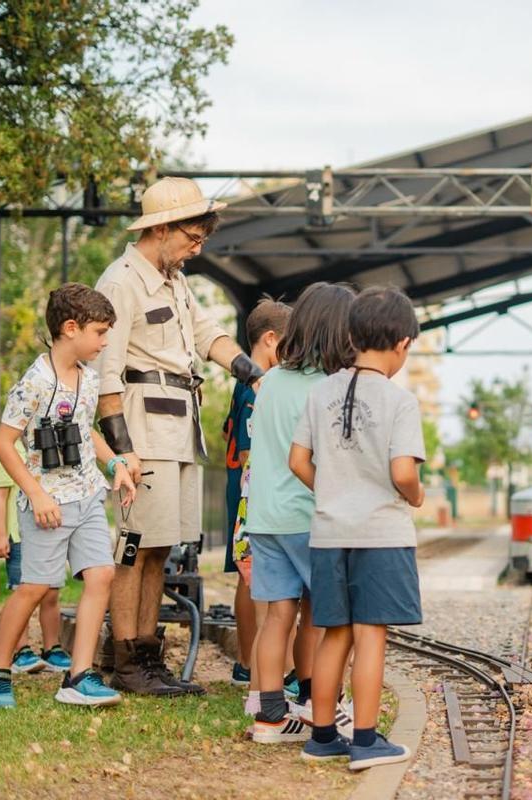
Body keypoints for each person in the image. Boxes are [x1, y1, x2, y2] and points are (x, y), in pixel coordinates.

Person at [92, 176, 262, 696]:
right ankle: (125, 659)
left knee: (160, 546)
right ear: (161, 228)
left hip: (178, 430)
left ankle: (147, 654)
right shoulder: (121, 282)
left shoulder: (174, 280)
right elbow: (106, 374)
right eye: (192, 236)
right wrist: (123, 453)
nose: (197, 247)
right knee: (134, 545)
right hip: (142, 429)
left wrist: (252, 371)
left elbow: (209, 333)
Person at [0, 284, 137, 709]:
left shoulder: (89, 377)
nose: (104, 341)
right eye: (100, 332)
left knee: (101, 575)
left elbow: (86, 432)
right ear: (70, 328)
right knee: (34, 586)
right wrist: (36, 493)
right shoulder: (35, 382)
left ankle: (79, 676)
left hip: (87, 497)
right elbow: (4, 444)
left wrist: (115, 464)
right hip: (47, 505)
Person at [289, 285, 425, 768]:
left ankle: (323, 736)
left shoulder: (320, 392)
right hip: (379, 535)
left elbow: (297, 460)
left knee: (334, 633)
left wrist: (329, 490)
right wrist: (416, 495)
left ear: (351, 334)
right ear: (402, 344)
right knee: (371, 635)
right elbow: (403, 472)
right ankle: (366, 740)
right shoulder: (399, 402)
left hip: (329, 533)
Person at [247, 283, 357, 744]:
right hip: (309, 516)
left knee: (278, 615)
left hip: (266, 517)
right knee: (328, 618)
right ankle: (323, 707)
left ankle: (271, 717)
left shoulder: (269, 379)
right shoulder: (329, 387)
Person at [223, 298, 291, 686]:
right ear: (270, 340)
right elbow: (250, 451)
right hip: (252, 490)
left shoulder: (246, 384)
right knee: (252, 580)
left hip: (244, 488)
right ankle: (249, 662)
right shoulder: (254, 387)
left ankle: (250, 660)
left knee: (248, 576)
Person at [0, 440, 72, 674]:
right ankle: (21, 650)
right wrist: (0, 535)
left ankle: (52, 648)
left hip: (50, 533)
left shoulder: (53, 445)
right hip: (20, 535)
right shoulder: (10, 450)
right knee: (23, 592)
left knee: (51, 594)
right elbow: (0, 496)